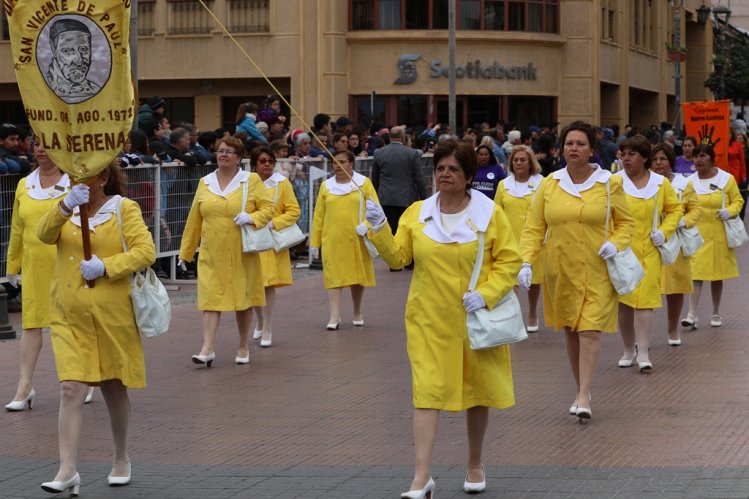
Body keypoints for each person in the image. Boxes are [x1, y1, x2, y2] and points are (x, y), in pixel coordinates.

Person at [364, 140, 520, 497]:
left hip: (476, 319)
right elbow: (399, 257)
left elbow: (509, 261)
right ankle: (421, 477)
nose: (445, 174)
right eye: (440, 169)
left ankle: (475, 462)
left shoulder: (489, 213)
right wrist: (379, 229)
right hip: (428, 320)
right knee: (427, 392)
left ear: (468, 176)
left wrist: (487, 293)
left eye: (453, 169)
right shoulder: (417, 213)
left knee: (478, 392)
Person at [36, 162, 155, 493]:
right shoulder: (66, 208)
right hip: (68, 313)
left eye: (86, 175)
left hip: (111, 314)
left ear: (104, 178)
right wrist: (64, 205)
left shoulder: (123, 208)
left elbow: (146, 251)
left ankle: (120, 457)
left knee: (113, 386)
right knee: (71, 388)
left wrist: (107, 266)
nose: (78, 181)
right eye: (73, 175)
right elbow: (43, 234)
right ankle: (67, 469)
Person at [518, 121, 635, 420]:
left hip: (597, 269)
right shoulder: (549, 184)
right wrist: (526, 262)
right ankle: (581, 387)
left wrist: (616, 243)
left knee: (590, 329)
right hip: (561, 270)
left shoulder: (610, 183)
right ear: (561, 148)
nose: (574, 149)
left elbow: (626, 224)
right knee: (571, 330)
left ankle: (584, 396)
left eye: (581, 144)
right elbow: (534, 228)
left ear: (592, 149)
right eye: (569, 143)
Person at [178, 137, 274, 366]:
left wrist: (253, 217)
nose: (224, 154)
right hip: (212, 251)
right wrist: (186, 252)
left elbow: (269, 208)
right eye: (220, 150)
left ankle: (242, 346)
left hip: (241, 252)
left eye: (230, 151)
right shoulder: (205, 182)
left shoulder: (250, 180)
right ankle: (207, 348)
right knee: (210, 299)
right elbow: (194, 219)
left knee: (243, 299)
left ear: (239, 157)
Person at [5, 142, 71, 411]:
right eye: (37, 145)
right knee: (31, 326)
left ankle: (80, 382)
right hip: (34, 267)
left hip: (66, 264)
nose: (41, 150)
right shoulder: (24, 184)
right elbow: (17, 228)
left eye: (48, 145)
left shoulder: (73, 183)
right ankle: (24, 385)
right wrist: (12, 266)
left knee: (68, 327)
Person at [615, 136, 683, 372]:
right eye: (623, 154)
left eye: (631, 154)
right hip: (622, 251)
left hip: (650, 249)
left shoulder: (660, 184)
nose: (626, 159)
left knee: (646, 302)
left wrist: (664, 232)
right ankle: (627, 349)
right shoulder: (614, 182)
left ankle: (643, 352)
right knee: (624, 302)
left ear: (644, 158)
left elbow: (675, 209)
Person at [310, 150, 379, 329]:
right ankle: (334, 316)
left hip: (357, 238)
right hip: (332, 239)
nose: (338, 166)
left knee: (357, 277)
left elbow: (375, 209)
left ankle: (357, 311)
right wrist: (314, 242)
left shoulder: (364, 183)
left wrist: (367, 224)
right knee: (334, 276)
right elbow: (319, 216)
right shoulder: (326, 186)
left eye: (342, 162)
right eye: (334, 162)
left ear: (351, 163)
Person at [682, 144, 745, 329]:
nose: (698, 160)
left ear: (711, 158)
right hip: (697, 234)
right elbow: (684, 205)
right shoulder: (690, 182)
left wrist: (729, 211)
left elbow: (738, 200)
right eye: (695, 157)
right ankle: (691, 313)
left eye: (702, 156)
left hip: (719, 233)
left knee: (717, 275)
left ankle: (715, 312)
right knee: (695, 273)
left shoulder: (726, 179)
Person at [650, 143, 703, 346]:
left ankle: (672, 330)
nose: (658, 163)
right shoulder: (644, 183)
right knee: (646, 290)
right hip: (650, 242)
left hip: (676, 244)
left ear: (670, 161)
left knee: (675, 289)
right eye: (655, 159)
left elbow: (696, 209)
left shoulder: (683, 184)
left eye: (663, 159)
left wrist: (683, 221)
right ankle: (642, 334)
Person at [250, 146, 301, 348]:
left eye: (270, 161)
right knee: (253, 283)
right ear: (255, 164)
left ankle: (268, 326)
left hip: (272, 240)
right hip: (252, 238)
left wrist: (274, 223)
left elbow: (294, 210)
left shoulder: (282, 183)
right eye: (262, 161)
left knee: (268, 284)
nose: (267, 164)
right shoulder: (248, 182)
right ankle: (260, 321)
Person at [494, 145, 544, 331]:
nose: (519, 163)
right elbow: (496, 212)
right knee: (511, 280)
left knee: (534, 279)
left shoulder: (542, 183)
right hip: (510, 239)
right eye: (515, 160)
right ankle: (513, 317)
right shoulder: (503, 185)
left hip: (534, 239)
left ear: (530, 162)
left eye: (523, 160)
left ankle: (532, 313)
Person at [371, 125, 427, 269]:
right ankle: (410, 261)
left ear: (389, 137)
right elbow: (419, 178)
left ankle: (394, 263)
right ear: (403, 137)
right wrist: (424, 198)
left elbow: (375, 179)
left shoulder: (379, 153)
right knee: (409, 230)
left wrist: (375, 197)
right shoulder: (412, 153)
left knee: (392, 230)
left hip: (386, 197)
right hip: (407, 197)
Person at [44, 18, 102, 103]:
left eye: (83, 49)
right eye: (67, 51)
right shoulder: (43, 87)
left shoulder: (96, 90)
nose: (79, 62)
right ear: (53, 49)